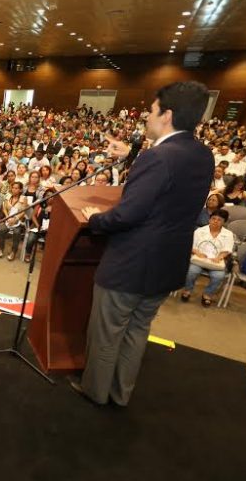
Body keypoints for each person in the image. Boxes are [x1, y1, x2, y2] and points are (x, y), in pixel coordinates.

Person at [76, 81, 214, 407]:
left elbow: (127, 215)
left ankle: (95, 392)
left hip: (132, 263)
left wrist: (95, 218)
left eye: (151, 111)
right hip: (168, 264)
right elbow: (169, 199)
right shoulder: (202, 154)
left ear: (167, 115)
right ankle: (120, 394)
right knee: (137, 330)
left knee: (108, 332)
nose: (146, 117)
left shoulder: (158, 158)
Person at [180, 209, 234, 306]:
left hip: (216, 261)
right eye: (213, 218)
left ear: (224, 222)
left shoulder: (228, 234)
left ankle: (207, 294)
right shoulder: (200, 231)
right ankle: (187, 290)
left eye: (219, 220)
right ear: (209, 219)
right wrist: (197, 252)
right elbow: (191, 246)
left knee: (218, 276)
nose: (216, 221)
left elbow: (227, 250)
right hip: (199, 258)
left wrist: (219, 257)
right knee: (192, 271)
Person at [0, 181, 26, 261]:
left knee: (17, 232)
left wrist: (15, 219)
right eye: (13, 188)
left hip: (18, 221)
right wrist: (7, 217)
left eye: (16, 188)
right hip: (8, 219)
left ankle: (13, 252)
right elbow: (4, 208)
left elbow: (23, 211)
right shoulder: (8, 196)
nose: (14, 190)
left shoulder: (23, 198)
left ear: (20, 190)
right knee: (2, 230)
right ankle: (1, 249)